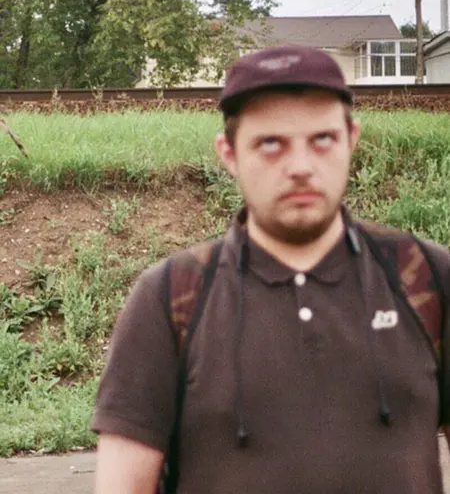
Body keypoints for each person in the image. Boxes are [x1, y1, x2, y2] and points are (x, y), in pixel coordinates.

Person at [92, 45, 450, 493]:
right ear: (229, 153)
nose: (300, 167)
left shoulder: (426, 277)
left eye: (323, 140)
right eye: (270, 144)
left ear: (352, 139)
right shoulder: (172, 295)